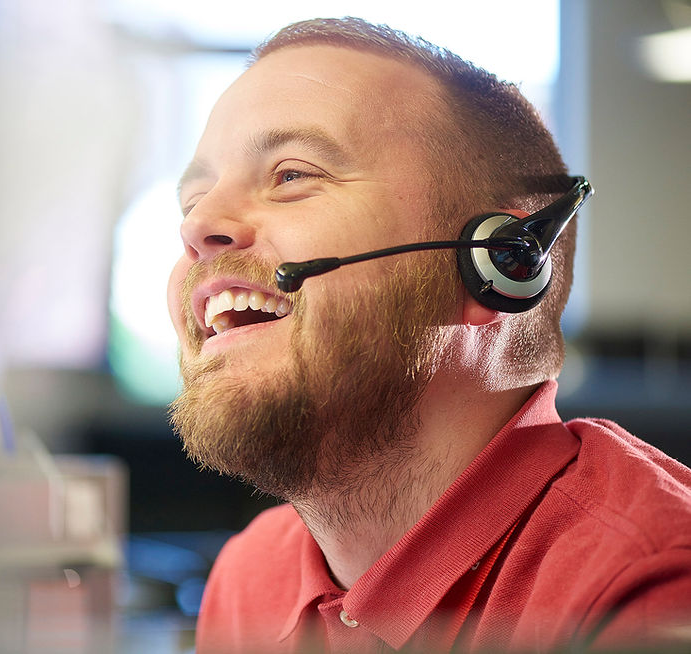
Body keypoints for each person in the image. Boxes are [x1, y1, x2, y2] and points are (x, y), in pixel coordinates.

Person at [166, 17, 691, 653]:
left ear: (498, 263)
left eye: (291, 175)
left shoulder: (644, 588)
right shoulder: (252, 576)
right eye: (192, 202)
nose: (199, 229)